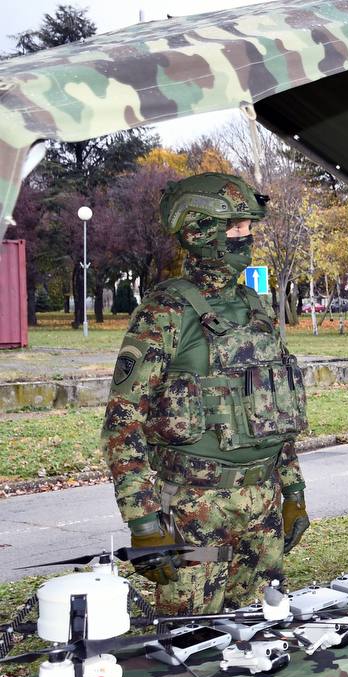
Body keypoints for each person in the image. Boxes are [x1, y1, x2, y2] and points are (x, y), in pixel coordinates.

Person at [101, 172, 310, 615]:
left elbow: (273, 407)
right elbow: (123, 422)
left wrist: (292, 493)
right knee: (193, 645)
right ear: (199, 231)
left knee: (261, 636)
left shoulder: (257, 307)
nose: (246, 237)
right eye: (235, 228)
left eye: (249, 227)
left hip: (263, 504)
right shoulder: (165, 312)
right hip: (197, 509)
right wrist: (143, 522)